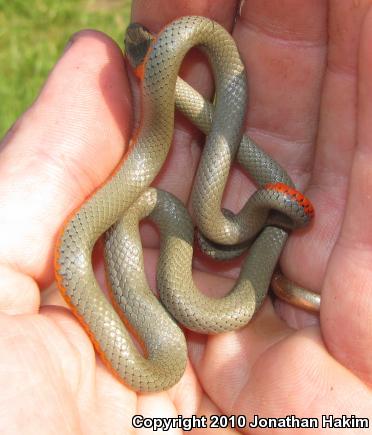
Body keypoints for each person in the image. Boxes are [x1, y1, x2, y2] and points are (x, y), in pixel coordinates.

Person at [1, 0, 372, 432]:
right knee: (187, 217)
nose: (154, 46)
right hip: (171, 360)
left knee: (211, 220)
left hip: (224, 227)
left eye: (155, 51)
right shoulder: (162, 366)